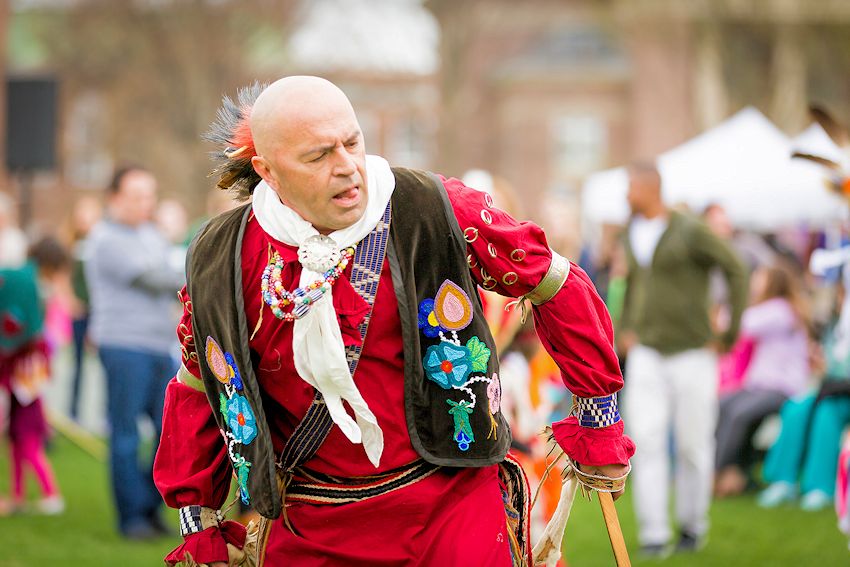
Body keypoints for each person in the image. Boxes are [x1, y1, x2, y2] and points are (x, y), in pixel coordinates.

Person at [152, 76, 635, 566]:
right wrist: (201, 520)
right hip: (311, 522)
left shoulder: (433, 207)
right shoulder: (222, 257)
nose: (347, 167)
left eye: (352, 142)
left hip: (451, 504)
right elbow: (199, 385)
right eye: (318, 156)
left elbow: (556, 282)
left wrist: (600, 420)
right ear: (267, 170)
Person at [618, 163, 748, 556]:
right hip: (647, 353)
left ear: (649, 186)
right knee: (647, 440)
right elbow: (634, 282)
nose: (626, 195)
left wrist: (729, 332)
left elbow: (736, 267)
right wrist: (625, 326)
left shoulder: (690, 229)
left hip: (693, 352)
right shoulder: (630, 232)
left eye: (631, 187)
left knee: (693, 444)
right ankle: (654, 535)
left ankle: (693, 526)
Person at [86, 166, 184, 539]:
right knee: (126, 436)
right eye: (138, 196)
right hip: (123, 347)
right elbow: (156, 279)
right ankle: (131, 518)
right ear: (115, 199)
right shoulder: (105, 238)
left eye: (150, 195)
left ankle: (147, 505)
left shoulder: (151, 235)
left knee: (168, 434)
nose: (147, 204)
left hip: (160, 348)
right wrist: (204, 271)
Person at [714, 263, 811, 498]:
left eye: (760, 277)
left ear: (773, 282)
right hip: (759, 385)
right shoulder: (774, 309)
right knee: (722, 404)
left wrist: (731, 302)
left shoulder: (781, 309)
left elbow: (736, 324)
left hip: (782, 388)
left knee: (739, 414)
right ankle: (735, 471)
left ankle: (715, 475)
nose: (755, 282)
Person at [759, 289, 850, 511]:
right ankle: (783, 481)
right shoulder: (834, 328)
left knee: (826, 413)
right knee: (796, 408)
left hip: (841, 395)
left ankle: (819, 487)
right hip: (830, 389)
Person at [0, 237, 69, 515]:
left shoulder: (23, 282)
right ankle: (17, 496)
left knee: (25, 439)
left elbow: (26, 331)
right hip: (21, 378)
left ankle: (50, 495)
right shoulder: (28, 284)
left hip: (24, 382)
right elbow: (23, 328)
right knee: (17, 439)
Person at [64, 195, 102, 420]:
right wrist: (70, 299)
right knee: (77, 362)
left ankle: (104, 415)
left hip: (99, 312)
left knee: (103, 363)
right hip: (80, 312)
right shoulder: (71, 244)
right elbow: (65, 276)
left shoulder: (101, 243)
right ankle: (73, 411)